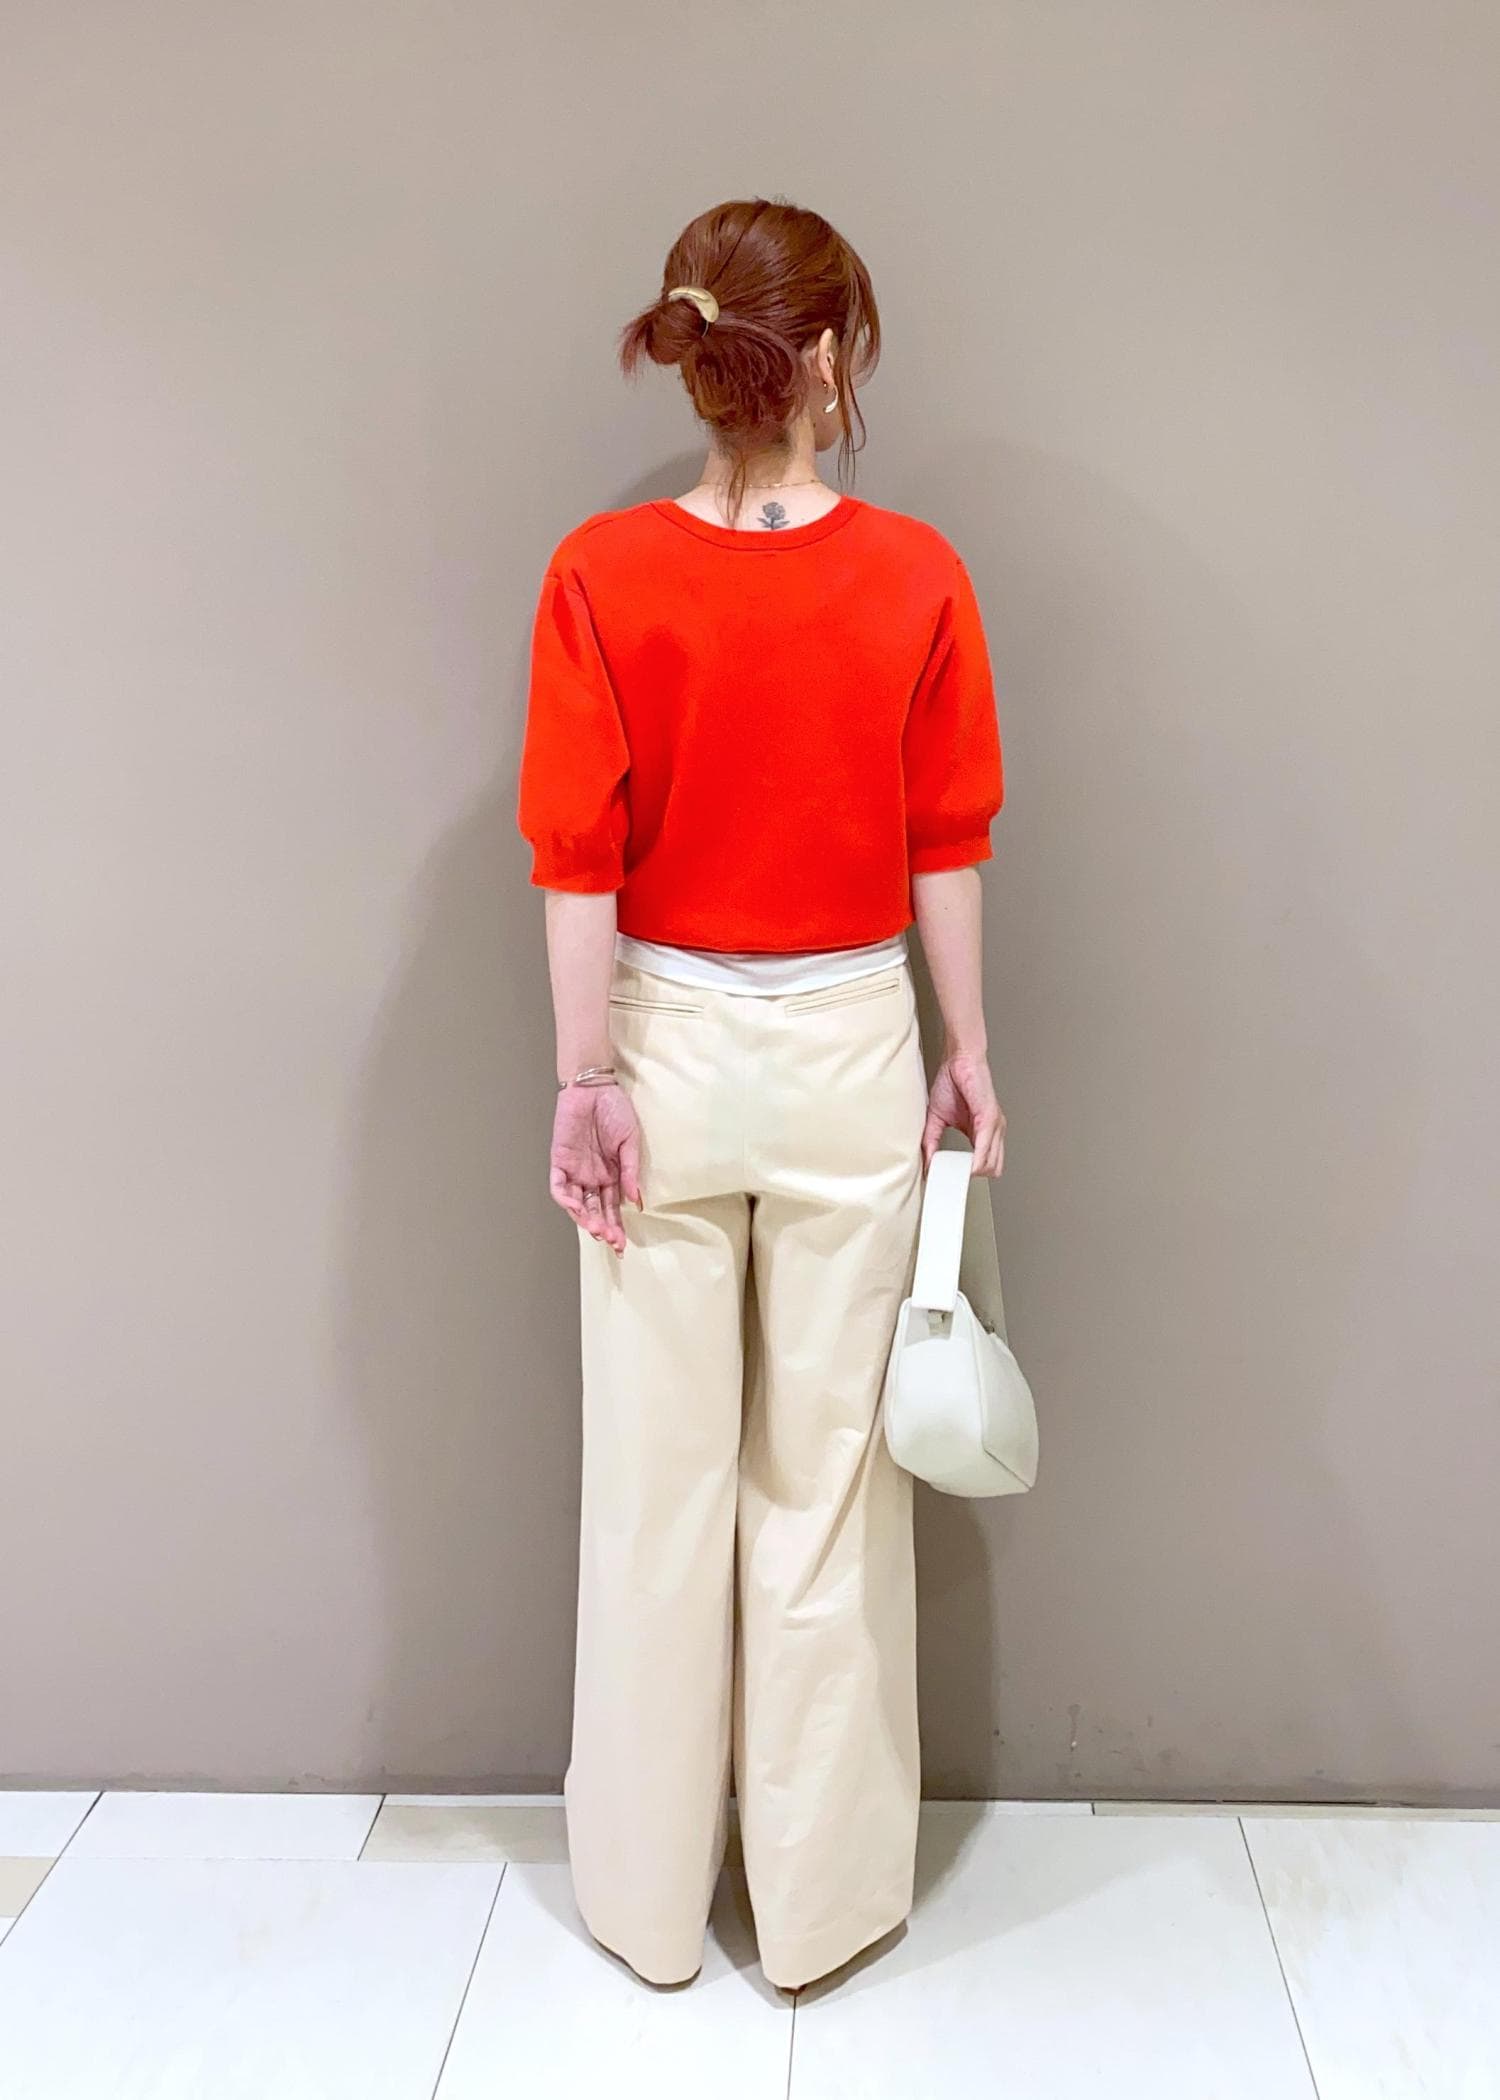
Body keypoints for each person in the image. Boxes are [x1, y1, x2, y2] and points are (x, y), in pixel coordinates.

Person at [515, 197, 1006, 1994]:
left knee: (654, 1493)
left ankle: (645, 1910)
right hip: (847, 1045)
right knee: (826, 1495)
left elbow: (575, 855)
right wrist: (966, 1046)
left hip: (657, 1041)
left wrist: (586, 1076)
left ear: (704, 356)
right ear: (823, 359)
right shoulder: (918, 573)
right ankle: (816, 1911)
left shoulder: (599, 571)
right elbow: (945, 837)